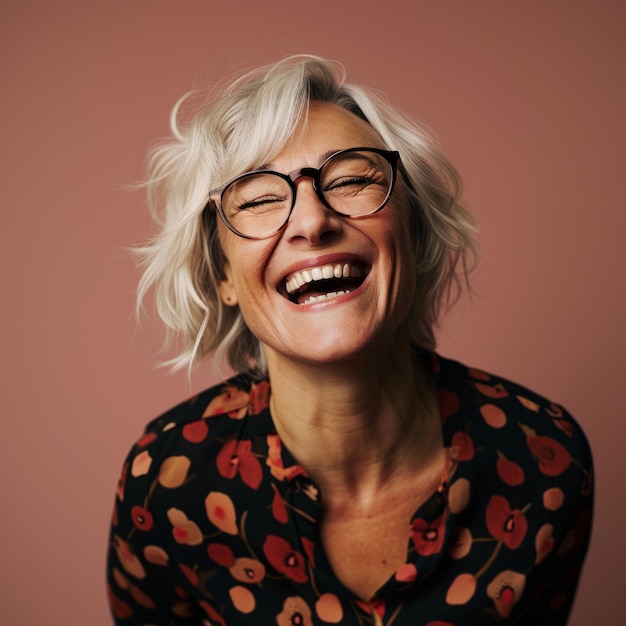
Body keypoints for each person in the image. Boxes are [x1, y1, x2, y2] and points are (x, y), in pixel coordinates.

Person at [106, 55, 593, 625]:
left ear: (412, 230)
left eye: (353, 179)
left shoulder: (544, 458)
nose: (312, 221)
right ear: (221, 275)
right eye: (259, 198)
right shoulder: (166, 485)